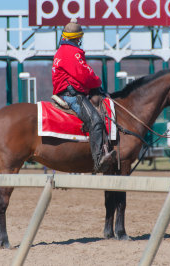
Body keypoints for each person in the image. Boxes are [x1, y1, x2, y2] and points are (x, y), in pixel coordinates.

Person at [52, 18, 116, 173]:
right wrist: (98, 83)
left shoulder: (63, 50)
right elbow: (85, 75)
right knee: (96, 121)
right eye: (80, 38)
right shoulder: (71, 52)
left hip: (67, 92)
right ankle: (99, 159)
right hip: (72, 96)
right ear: (77, 38)